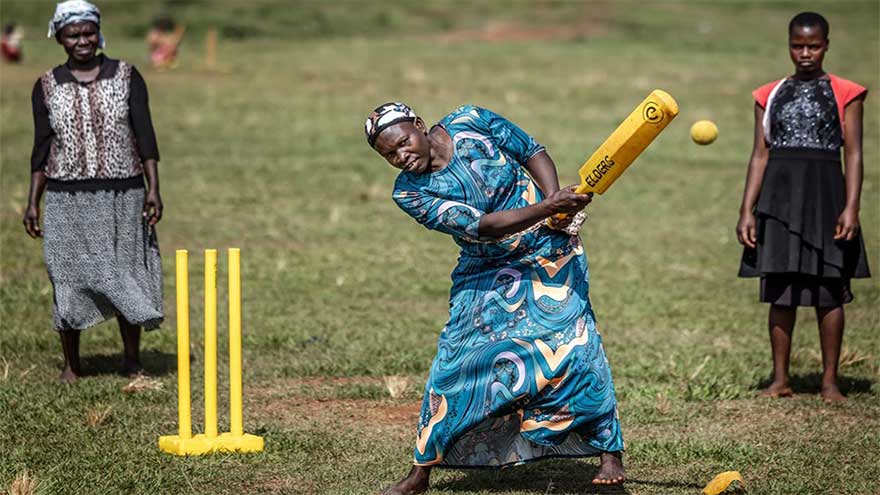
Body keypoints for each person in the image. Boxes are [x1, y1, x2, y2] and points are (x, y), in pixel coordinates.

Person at [365, 102, 626, 494]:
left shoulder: (471, 121)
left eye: (403, 143)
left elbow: (530, 150)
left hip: (548, 251)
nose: (401, 157)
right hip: (486, 265)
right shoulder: (409, 193)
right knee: (455, 360)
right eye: (389, 154)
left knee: (575, 341)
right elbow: (483, 226)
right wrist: (547, 206)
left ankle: (609, 451)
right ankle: (421, 472)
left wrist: (556, 208)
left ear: (419, 125)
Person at [23, 0, 164, 383]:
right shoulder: (47, 85)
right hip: (66, 196)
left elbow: (145, 135)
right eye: (73, 34)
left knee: (125, 273)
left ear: (98, 32)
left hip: (124, 192)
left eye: (88, 32)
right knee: (66, 275)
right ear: (60, 38)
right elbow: (41, 147)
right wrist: (32, 201)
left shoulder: (127, 76)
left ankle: (132, 360)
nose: (83, 40)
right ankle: (72, 365)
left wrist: (154, 189)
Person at [737, 12, 870, 402]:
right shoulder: (770, 93)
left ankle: (830, 382)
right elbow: (759, 156)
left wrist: (852, 207)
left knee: (830, 291)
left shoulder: (847, 92)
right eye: (798, 45)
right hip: (778, 201)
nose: (806, 53)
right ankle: (780, 380)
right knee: (780, 293)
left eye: (813, 45)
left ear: (827, 45)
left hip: (827, 199)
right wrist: (748, 209)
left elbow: (856, 154)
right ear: (789, 45)